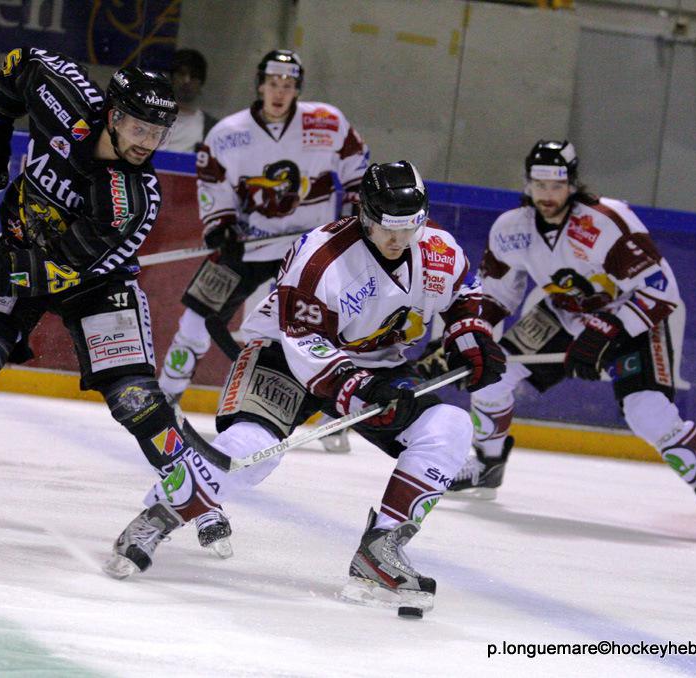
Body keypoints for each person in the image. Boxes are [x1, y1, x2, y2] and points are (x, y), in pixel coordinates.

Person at [107, 161, 507, 612]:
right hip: (284, 354)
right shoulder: (321, 258)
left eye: (408, 227)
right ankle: (158, 516)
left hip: (373, 365)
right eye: (386, 229)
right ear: (364, 215)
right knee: (250, 451)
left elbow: (464, 295)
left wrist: (471, 337)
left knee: (450, 425)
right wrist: (360, 388)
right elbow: (305, 344)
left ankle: (382, 546)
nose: (398, 240)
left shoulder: (439, 250)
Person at [0, 48, 230, 556]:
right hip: (21, 246)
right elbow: (20, 62)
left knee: (134, 396)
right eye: (139, 128)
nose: (147, 143)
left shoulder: (132, 199)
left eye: (159, 134)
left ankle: (195, 497)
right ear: (113, 115)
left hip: (95, 283)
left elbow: (57, 271)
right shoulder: (65, 99)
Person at [421, 139, 696, 545]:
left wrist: (605, 332)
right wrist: (468, 332)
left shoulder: (606, 222)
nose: (547, 195)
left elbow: (661, 290)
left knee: (646, 411)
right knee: (494, 375)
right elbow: (495, 296)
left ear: (573, 183)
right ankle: (487, 465)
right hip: (563, 315)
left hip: (631, 319)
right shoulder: (512, 230)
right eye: (539, 185)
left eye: (556, 185)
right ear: (527, 183)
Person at [157, 48, 370, 465]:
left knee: (326, 332)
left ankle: (333, 418)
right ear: (259, 84)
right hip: (248, 244)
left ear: (298, 89)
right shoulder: (228, 134)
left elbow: (356, 165)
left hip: (308, 251)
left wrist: (355, 210)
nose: (279, 91)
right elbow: (212, 181)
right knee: (197, 314)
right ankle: (165, 398)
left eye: (288, 85)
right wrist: (220, 225)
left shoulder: (325, 122)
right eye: (273, 83)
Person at [163, 48, 218, 153]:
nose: (186, 81)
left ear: (201, 82)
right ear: (172, 77)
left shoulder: (211, 127)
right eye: (181, 73)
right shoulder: (152, 117)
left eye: (194, 76)